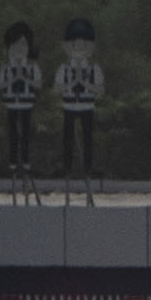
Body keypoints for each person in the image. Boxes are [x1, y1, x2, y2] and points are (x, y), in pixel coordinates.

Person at [52, 17, 103, 186]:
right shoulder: (64, 68)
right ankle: (66, 166)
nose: (79, 49)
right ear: (68, 47)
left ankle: (88, 166)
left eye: (84, 46)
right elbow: (57, 89)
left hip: (87, 106)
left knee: (88, 138)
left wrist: (85, 81)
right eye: (76, 46)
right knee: (67, 138)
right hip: (69, 106)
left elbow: (100, 90)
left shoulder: (94, 69)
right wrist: (73, 82)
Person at [0, 21, 34, 171]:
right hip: (11, 104)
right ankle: (12, 160)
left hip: (26, 104)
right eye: (15, 45)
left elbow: (36, 84)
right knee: (12, 133)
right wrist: (13, 77)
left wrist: (23, 77)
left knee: (25, 133)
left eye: (23, 45)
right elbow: (0, 85)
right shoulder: (5, 69)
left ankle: (25, 159)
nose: (19, 49)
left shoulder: (30, 68)